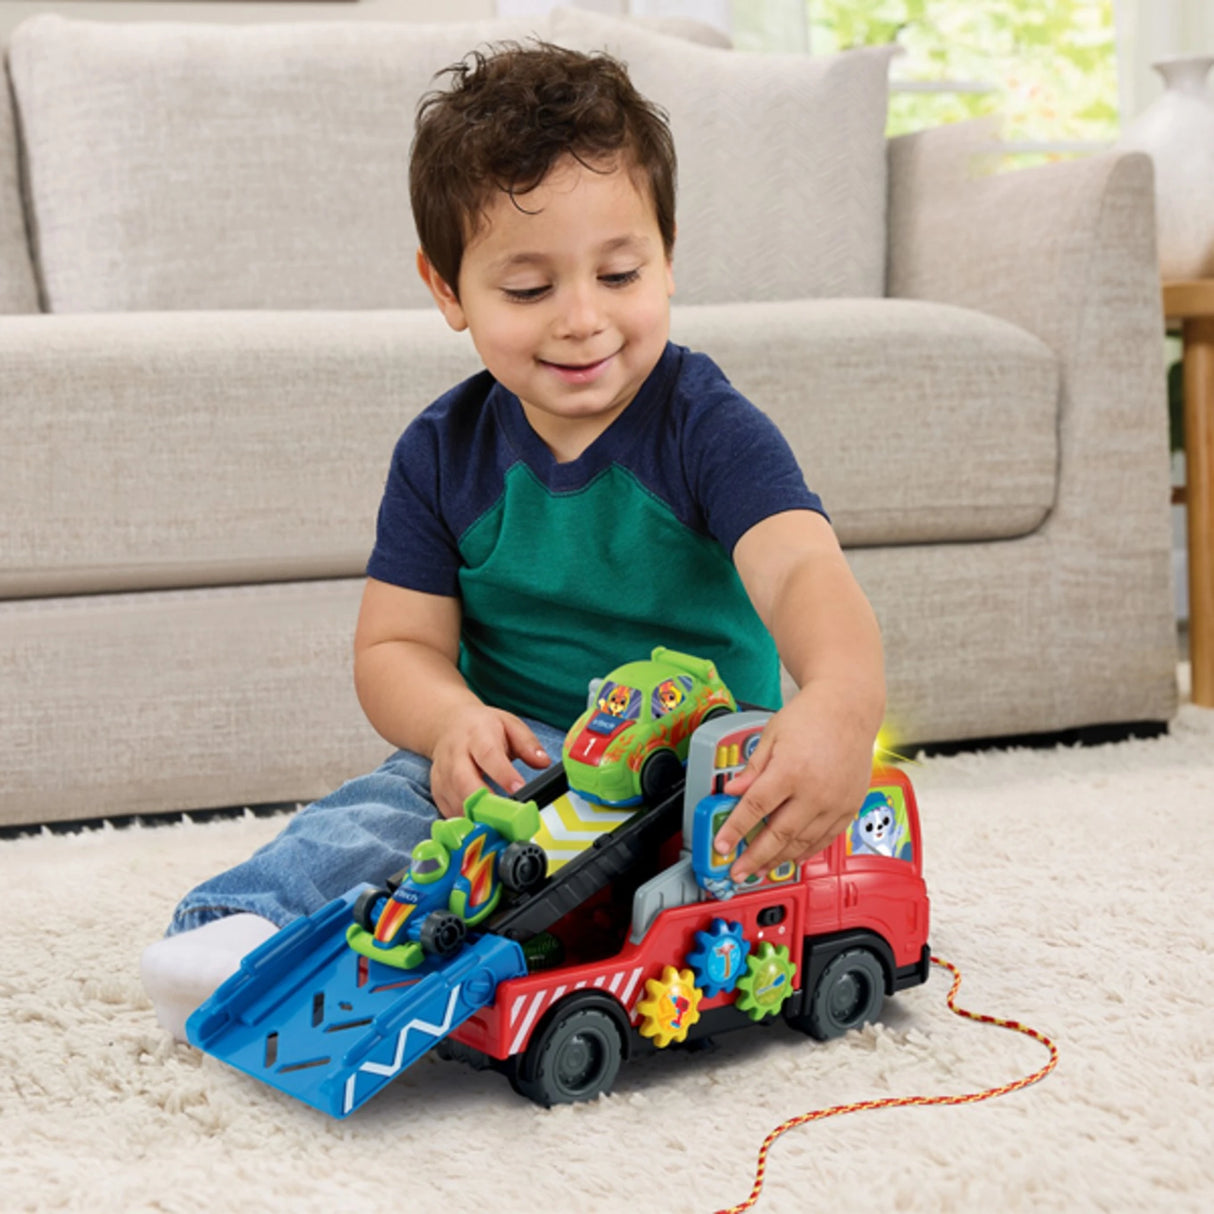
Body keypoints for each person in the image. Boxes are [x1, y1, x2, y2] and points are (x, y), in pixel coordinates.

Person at [140, 41, 885, 1041]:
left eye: (619, 273)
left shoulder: (706, 426)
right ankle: (247, 929)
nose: (582, 320)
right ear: (446, 287)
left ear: (666, 252)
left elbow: (798, 565)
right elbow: (392, 647)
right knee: (383, 811)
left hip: (692, 764)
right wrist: (450, 722)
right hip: (515, 757)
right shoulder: (441, 453)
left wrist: (839, 699)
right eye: (528, 290)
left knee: (703, 852)